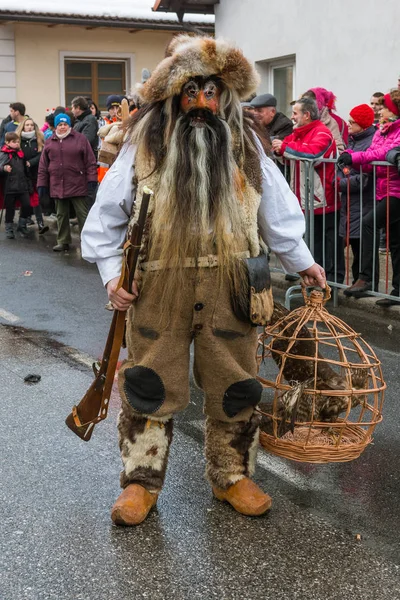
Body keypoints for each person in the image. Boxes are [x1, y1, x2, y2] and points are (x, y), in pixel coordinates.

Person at [81, 35, 325, 526]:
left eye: (211, 92)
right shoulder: (143, 143)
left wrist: (304, 262)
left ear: (226, 97)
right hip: (156, 286)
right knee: (150, 382)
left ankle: (232, 475)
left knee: (235, 384)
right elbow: (105, 219)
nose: (200, 103)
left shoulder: (247, 146)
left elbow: (278, 211)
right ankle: (140, 483)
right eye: (190, 91)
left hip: (234, 284)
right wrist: (112, 277)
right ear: (173, 93)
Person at [272, 96, 345, 284]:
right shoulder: (299, 133)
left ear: (306, 115)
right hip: (304, 199)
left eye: (295, 113)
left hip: (322, 199)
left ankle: (333, 282)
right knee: (313, 242)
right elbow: (288, 156)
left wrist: (284, 147)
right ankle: (316, 281)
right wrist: (279, 150)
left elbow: (313, 153)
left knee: (329, 244)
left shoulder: (322, 132)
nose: (292, 117)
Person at [339, 90, 400, 305]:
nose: (379, 110)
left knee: (368, 224)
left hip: (396, 191)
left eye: (383, 107)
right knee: (395, 240)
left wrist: (353, 158)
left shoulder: (396, 130)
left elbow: (383, 154)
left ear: (393, 110)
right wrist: (352, 161)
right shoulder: (382, 131)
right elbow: (373, 155)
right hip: (384, 189)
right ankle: (397, 290)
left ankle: (366, 278)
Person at [37, 113, 97, 252]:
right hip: (58, 184)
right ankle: (63, 241)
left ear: (69, 125)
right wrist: (42, 184)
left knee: (82, 215)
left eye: (65, 124)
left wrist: (92, 179)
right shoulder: (50, 141)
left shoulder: (80, 139)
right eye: (60, 125)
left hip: (77, 183)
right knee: (61, 214)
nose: (63, 127)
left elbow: (90, 161)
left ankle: (87, 242)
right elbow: (43, 166)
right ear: (56, 126)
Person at [337, 104, 376, 283]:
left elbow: (366, 179)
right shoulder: (353, 140)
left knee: (363, 247)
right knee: (354, 245)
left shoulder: (370, 142)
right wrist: (343, 178)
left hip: (364, 203)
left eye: (353, 121)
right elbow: (342, 168)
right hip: (350, 203)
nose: (349, 124)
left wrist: (342, 183)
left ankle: (367, 283)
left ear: (363, 124)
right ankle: (356, 281)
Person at [16, 117, 49, 234]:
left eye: (31, 125)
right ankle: (23, 222)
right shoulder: (18, 140)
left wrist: (31, 162)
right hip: (23, 174)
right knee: (25, 199)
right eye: (27, 125)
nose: (29, 127)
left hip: (36, 173)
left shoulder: (39, 139)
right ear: (23, 127)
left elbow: (42, 155)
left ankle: (40, 223)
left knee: (36, 198)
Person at [0, 132, 32, 239]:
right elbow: (0, 166)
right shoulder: (4, 154)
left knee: (27, 205)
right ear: (7, 142)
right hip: (10, 186)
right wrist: (4, 168)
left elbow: (25, 171)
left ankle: (22, 224)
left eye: (18, 142)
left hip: (22, 185)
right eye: (14, 142)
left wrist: (27, 165)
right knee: (10, 209)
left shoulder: (21, 154)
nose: (17, 144)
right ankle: (9, 228)